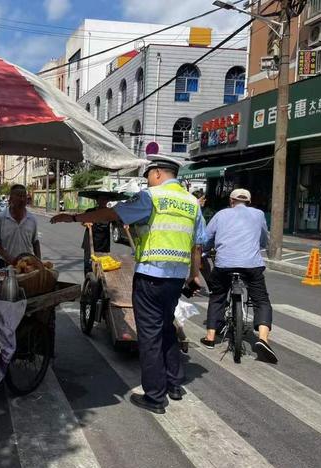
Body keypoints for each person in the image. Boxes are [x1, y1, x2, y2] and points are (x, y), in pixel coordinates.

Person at [51, 155, 206, 414]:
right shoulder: (192, 203)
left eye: (148, 175)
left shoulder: (151, 197)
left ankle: (155, 396)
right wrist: (194, 275)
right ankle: (174, 384)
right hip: (176, 278)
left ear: (157, 173)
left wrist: (75, 218)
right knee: (167, 327)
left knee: (149, 334)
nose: (147, 180)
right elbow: (197, 244)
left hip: (151, 276)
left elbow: (112, 213)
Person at [201, 188, 277, 363]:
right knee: (261, 300)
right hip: (252, 265)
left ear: (231, 201)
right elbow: (264, 239)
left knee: (217, 296)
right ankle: (263, 339)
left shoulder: (221, 215)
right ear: (249, 203)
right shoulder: (258, 215)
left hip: (224, 265)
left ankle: (211, 337)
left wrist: (205, 251)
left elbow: (206, 239)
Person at [0, 184, 41, 267]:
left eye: (24, 196)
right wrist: (9, 258)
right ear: (11, 199)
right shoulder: (1, 218)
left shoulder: (32, 219)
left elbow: (35, 242)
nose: (22, 199)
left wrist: (39, 262)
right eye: (18, 196)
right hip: (4, 263)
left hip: (26, 265)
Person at [81, 193, 112, 275]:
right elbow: (82, 221)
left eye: (105, 199)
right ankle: (88, 285)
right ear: (97, 200)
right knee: (89, 266)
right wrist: (86, 222)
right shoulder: (90, 211)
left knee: (103, 267)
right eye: (101, 199)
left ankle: (100, 286)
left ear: (108, 201)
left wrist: (125, 224)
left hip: (104, 244)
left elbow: (119, 221)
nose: (103, 201)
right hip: (90, 243)